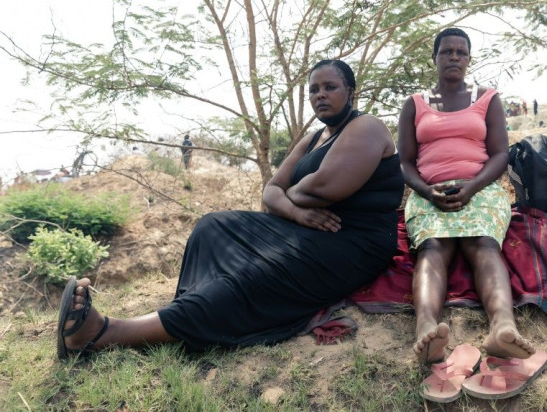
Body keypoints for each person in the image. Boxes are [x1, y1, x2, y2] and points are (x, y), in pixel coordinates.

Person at [57, 59, 404, 358]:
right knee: (213, 225)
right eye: (313, 90)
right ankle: (193, 307)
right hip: (305, 227)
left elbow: (326, 188)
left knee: (249, 280)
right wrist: (297, 211)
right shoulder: (314, 138)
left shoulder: (366, 127)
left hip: (351, 243)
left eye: (330, 87)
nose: (320, 95)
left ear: (351, 92)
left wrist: (291, 194)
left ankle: (103, 334)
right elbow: (270, 191)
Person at [397, 28, 535, 364]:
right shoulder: (414, 104)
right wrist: (426, 191)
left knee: (484, 244)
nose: (454, 57)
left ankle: (502, 326)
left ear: (469, 59)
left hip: (481, 189)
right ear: (435, 58)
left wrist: (472, 187)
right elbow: (404, 162)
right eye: (446, 51)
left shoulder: (487, 98)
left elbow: (501, 154)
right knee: (432, 248)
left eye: (461, 52)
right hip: (430, 193)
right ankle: (426, 330)